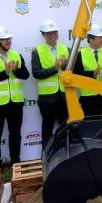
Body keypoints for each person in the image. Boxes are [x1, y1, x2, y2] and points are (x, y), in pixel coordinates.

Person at [0, 25, 30, 167]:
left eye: (9, 38)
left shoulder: (16, 55)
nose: (8, 41)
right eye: (4, 39)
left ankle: (15, 161)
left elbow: (25, 75)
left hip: (15, 103)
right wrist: (5, 73)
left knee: (15, 133)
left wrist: (16, 70)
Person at [31, 19, 69, 148]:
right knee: (47, 127)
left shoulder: (66, 49)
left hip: (64, 95)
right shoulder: (37, 51)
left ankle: (65, 152)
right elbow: (37, 73)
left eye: (54, 33)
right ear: (43, 35)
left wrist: (63, 67)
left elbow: (71, 71)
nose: (52, 35)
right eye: (49, 33)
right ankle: (46, 153)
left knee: (65, 126)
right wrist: (55, 67)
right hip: (47, 98)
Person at [73, 23, 102, 118]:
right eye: (99, 37)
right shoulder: (81, 54)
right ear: (91, 39)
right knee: (89, 121)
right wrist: (92, 73)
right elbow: (76, 75)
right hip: (88, 96)